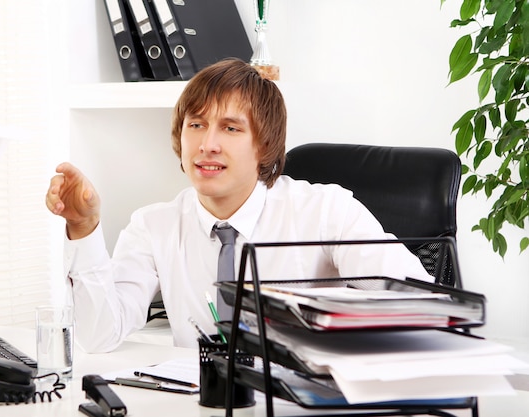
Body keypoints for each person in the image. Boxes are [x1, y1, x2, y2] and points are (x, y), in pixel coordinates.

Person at [45, 58, 432, 353]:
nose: (207, 144)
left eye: (230, 128)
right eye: (195, 125)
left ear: (264, 145)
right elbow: (99, 335)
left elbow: (420, 305)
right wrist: (84, 230)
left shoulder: (325, 210)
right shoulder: (154, 226)